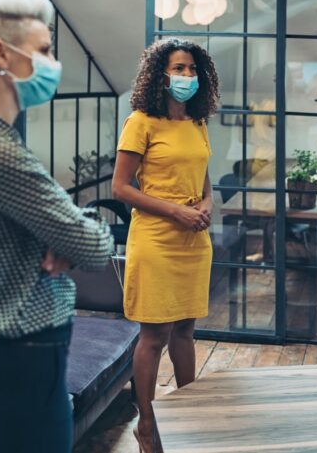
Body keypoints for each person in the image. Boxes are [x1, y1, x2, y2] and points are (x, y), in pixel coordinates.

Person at [0, 0, 113, 453]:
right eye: (44, 50)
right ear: (0, 53)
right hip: (15, 366)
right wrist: (71, 231)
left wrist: (63, 230)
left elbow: (67, 233)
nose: (52, 63)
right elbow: (94, 248)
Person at [112, 38, 219, 453]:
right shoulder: (141, 121)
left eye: (192, 70)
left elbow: (204, 175)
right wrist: (176, 212)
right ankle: (147, 425)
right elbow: (120, 188)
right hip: (156, 239)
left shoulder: (197, 122)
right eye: (179, 69)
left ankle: (187, 414)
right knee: (154, 335)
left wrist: (207, 203)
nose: (187, 77)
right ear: (161, 74)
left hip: (194, 239)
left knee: (186, 331)